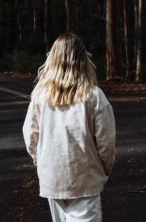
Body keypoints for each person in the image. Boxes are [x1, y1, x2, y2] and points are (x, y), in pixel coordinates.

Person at [22, 32, 116, 222]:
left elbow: (31, 135)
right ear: (83, 60)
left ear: (52, 60)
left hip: (52, 178)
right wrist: (104, 168)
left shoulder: (40, 96)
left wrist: (40, 162)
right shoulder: (94, 96)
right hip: (85, 179)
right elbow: (106, 142)